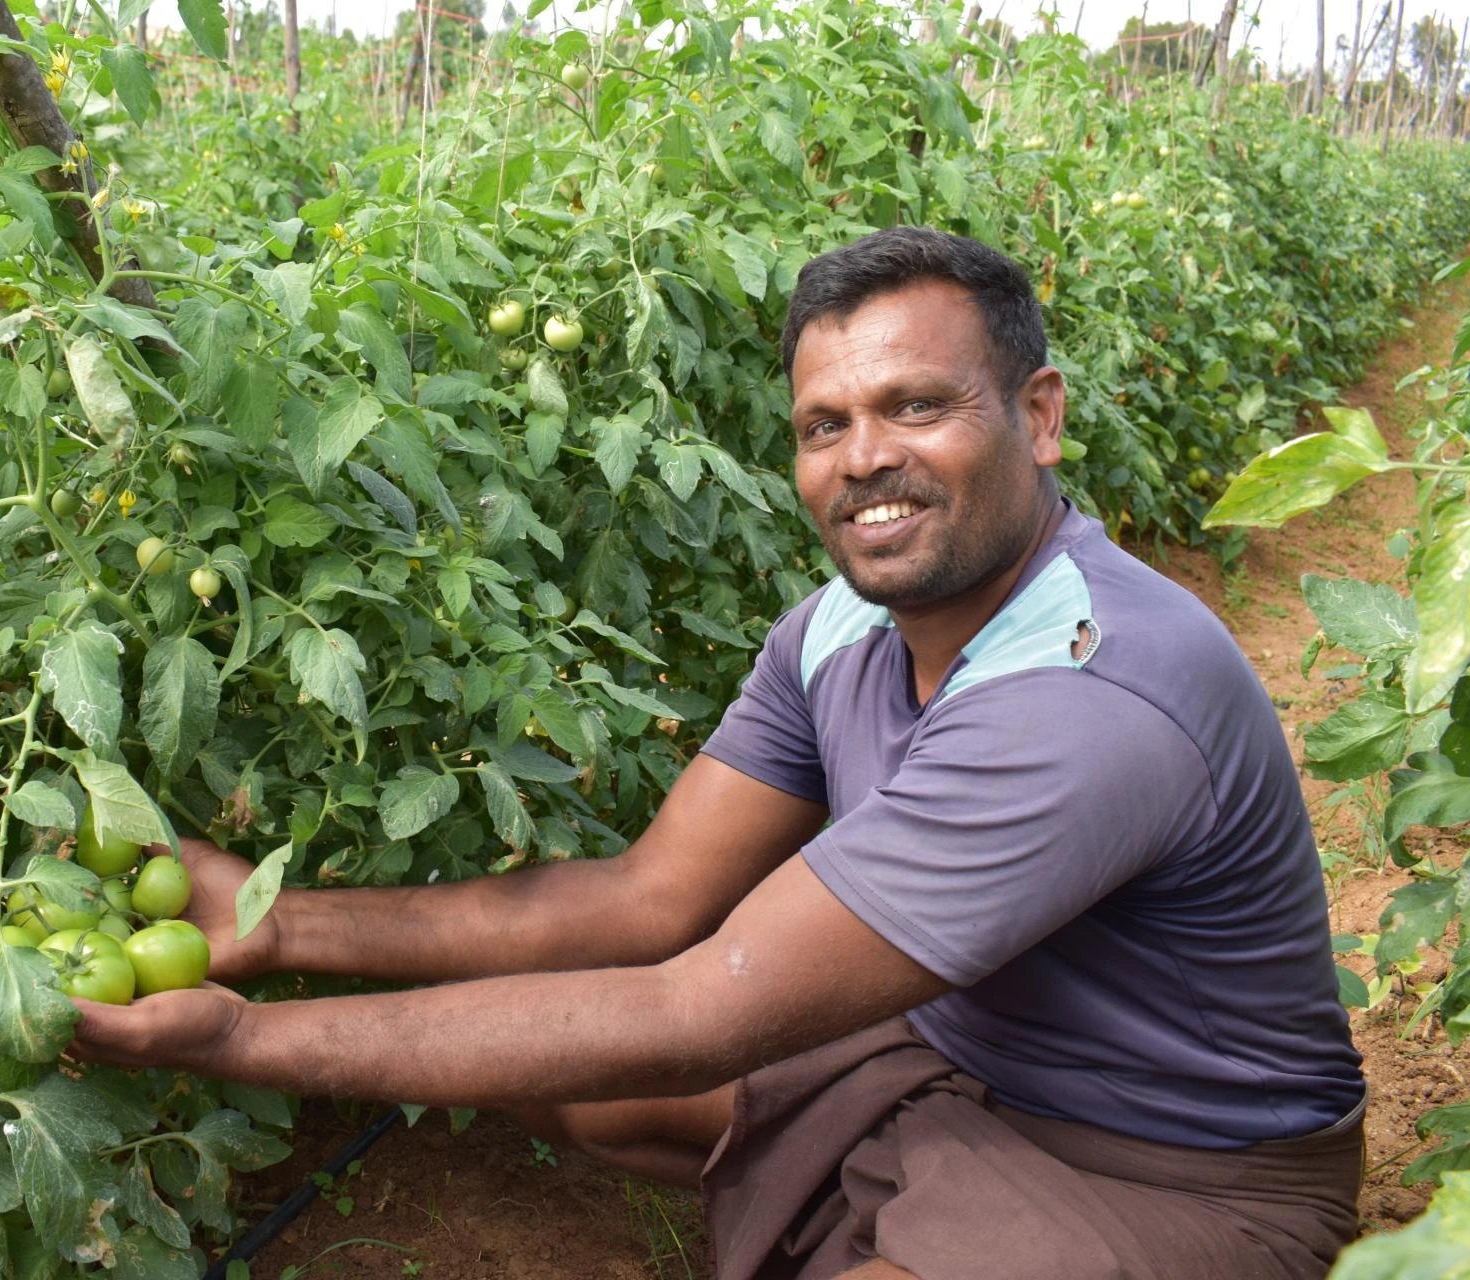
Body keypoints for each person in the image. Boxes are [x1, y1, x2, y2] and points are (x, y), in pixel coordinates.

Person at [69, 227, 1368, 1279]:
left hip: (1174, 1172)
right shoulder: (843, 629)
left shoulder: (1089, 691)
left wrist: (234, 1037)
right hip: (951, 1064)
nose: (867, 460)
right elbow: (647, 902)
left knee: (643, 1060)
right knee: (584, 1092)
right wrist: (280, 925)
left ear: (1037, 415)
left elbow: (695, 1012)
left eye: (917, 407)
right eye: (825, 424)